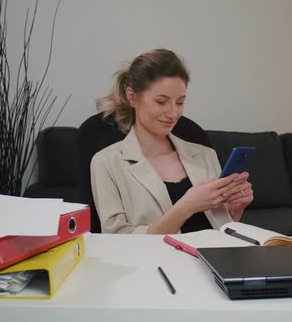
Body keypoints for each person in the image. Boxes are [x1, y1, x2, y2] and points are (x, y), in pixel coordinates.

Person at [91, 49, 254, 234]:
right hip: (156, 261)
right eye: (161, 102)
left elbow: (220, 229)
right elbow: (116, 240)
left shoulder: (205, 155)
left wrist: (235, 209)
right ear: (132, 97)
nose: (173, 113)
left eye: (180, 102)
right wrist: (185, 207)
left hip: (215, 258)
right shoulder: (106, 163)